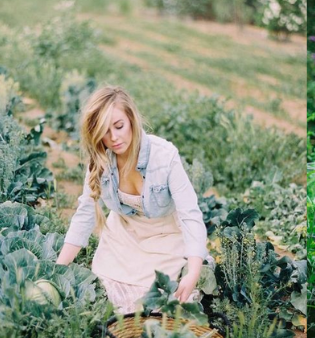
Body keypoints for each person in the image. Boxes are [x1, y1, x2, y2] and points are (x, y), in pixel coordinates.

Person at [56, 86, 209, 314]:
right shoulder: (100, 160)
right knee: (105, 300)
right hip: (123, 238)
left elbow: (190, 214)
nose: (114, 138)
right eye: (104, 132)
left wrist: (194, 272)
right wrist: (58, 269)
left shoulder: (165, 156)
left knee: (158, 302)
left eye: (119, 126)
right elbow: (85, 214)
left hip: (165, 237)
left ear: (132, 120)